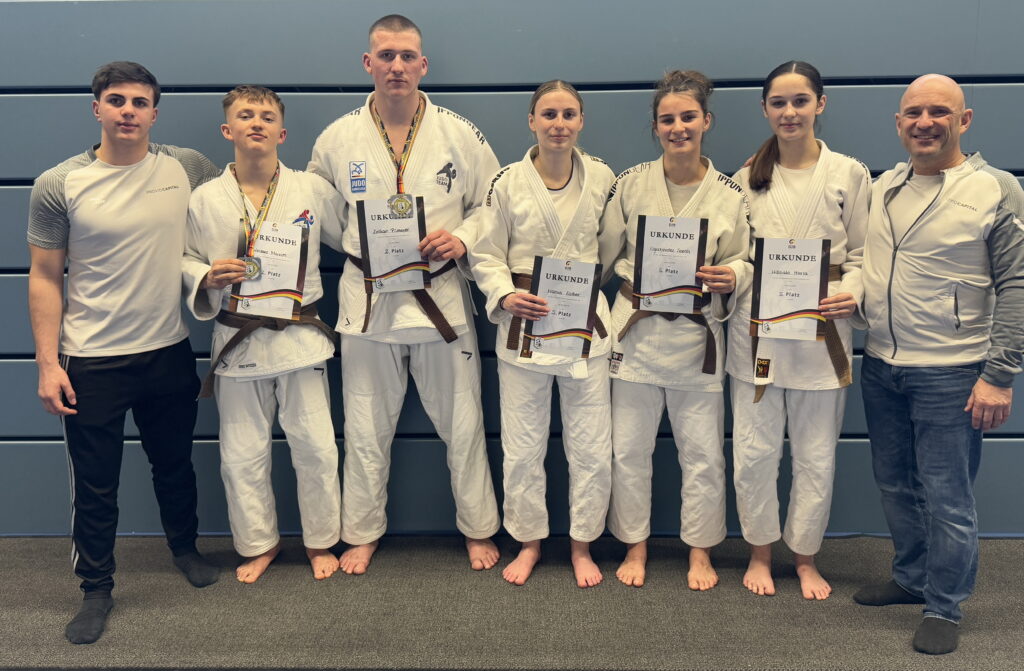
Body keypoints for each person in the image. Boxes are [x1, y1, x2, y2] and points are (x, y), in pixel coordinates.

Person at [27, 61, 221, 645]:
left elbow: (241, 202)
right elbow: (43, 277)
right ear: (97, 109)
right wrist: (47, 364)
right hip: (91, 360)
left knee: (175, 466)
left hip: (167, 350)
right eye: (117, 100)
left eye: (140, 102)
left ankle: (184, 550)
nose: (128, 111)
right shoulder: (58, 184)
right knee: (95, 483)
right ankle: (96, 589)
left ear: (155, 112)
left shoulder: (186, 167)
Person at [307, 14, 500, 574]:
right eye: (386, 55)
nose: (397, 66)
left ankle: (479, 528)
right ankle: (362, 532)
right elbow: (318, 208)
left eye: (407, 56)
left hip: (439, 295)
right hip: (368, 297)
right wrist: (360, 248)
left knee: (464, 422)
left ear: (423, 64)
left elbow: (492, 203)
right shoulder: (339, 137)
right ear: (368, 63)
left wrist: (460, 237)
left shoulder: (459, 133)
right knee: (365, 424)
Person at [852, 74, 1024, 654]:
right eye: (913, 112)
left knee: (949, 495)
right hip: (881, 363)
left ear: (964, 120)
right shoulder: (884, 186)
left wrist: (1000, 375)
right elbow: (869, 265)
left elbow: (1019, 284)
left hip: (952, 371)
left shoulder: (996, 190)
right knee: (896, 485)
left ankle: (945, 606)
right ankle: (910, 576)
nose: (925, 122)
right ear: (899, 123)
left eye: (939, 112)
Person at [182, 86, 344, 584]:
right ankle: (258, 544)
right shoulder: (204, 198)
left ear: (282, 132)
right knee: (241, 451)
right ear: (227, 130)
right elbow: (184, 259)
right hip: (237, 339)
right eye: (245, 115)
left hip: (299, 336)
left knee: (316, 446)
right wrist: (205, 276)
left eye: (267, 116)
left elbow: (355, 240)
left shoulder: (313, 190)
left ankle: (321, 541)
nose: (257, 122)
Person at [726, 61, 869, 600]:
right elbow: (737, 256)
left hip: (821, 331)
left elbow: (862, 255)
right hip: (759, 329)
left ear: (820, 105)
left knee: (815, 454)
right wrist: (736, 274)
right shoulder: (746, 177)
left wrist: (852, 291)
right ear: (764, 109)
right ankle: (760, 552)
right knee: (755, 450)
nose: (790, 112)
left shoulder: (849, 174)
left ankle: (806, 556)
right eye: (779, 103)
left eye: (800, 101)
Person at [603, 70, 750, 590]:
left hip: (697, 336)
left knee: (703, 453)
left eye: (688, 117)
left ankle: (700, 552)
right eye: (667, 119)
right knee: (628, 450)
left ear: (706, 121)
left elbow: (743, 259)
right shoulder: (630, 183)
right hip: (637, 333)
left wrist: (732, 275)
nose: (678, 127)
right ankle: (635, 545)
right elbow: (604, 254)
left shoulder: (729, 193)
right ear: (655, 126)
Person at [470, 80, 617, 587]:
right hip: (524, 327)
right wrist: (504, 294)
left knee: (591, 447)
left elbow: (614, 247)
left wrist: (585, 285)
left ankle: (582, 545)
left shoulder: (602, 177)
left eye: (569, 114)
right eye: (548, 114)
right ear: (531, 121)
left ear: (581, 122)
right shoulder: (506, 181)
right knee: (523, 446)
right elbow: (485, 252)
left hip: (584, 330)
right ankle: (529, 541)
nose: (559, 124)